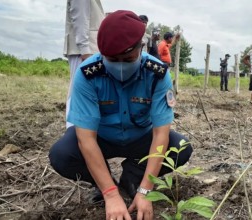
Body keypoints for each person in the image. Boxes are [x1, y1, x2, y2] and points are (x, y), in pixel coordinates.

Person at [49, 10, 193, 220]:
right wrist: (110, 194)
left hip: (140, 138)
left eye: (128, 58)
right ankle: (104, 183)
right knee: (62, 154)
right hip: (102, 139)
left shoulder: (157, 74)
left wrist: (145, 190)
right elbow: (86, 139)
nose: (121, 65)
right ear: (102, 53)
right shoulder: (87, 75)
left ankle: (133, 178)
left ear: (141, 47)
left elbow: (161, 134)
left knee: (181, 147)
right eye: (112, 59)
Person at [64, 0, 105, 129]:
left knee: (88, 91)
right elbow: (80, 18)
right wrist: (85, 51)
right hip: (85, 50)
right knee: (78, 90)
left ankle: (81, 129)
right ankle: (73, 129)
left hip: (89, 49)